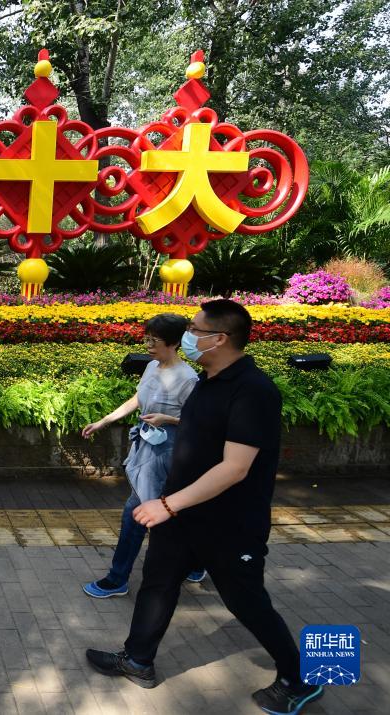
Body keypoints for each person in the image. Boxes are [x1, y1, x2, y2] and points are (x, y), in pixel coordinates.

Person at [85, 299, 324, 715]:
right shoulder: (206, 380)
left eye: (195, 330)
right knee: (158, 581)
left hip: (229, 521)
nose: (188, 337)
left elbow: (235, 467)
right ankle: (138, 659)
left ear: (221, 338)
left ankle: (299, 678)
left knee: (245, 600)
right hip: (182, 514)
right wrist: (169, 502)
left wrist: (166, 504)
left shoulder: (253, 391)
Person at [81, 313, 203, 598]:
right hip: (147, 443)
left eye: (154, 341)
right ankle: (196, 563)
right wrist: (104, 421)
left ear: (173, 343)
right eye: (146, 339)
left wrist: (167, 419)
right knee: (169, 511)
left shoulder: (188, 378)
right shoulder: (151, 366)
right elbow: (138, 399)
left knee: (136, 512)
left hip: (168, 451)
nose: (148, 346)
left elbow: (199, 421)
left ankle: (117, 579)